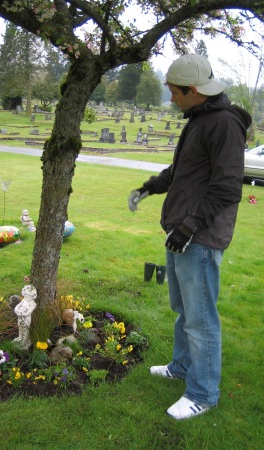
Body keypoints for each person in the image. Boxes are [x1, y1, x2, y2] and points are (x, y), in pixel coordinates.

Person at [128, 54, 252, 420]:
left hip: (199, 236)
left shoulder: (224, 125)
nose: (171, 99)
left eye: (173, 92)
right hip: (181, 232)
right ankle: (181, 367)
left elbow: (228, 188)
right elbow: (182, 170)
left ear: (193, 90)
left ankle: (203, 393)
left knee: (201, 319)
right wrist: (149, 187)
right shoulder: (200, 119)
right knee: (183, 311)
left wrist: (189, 227)